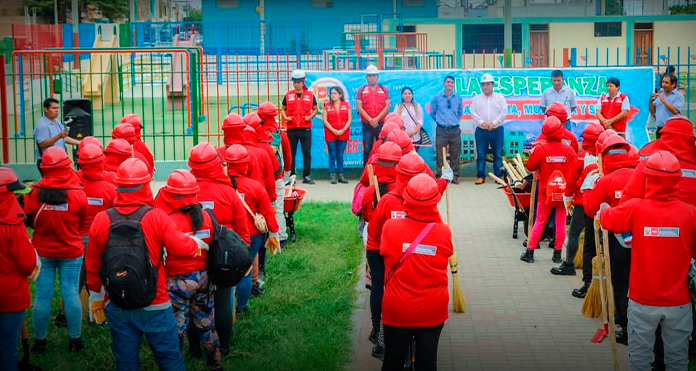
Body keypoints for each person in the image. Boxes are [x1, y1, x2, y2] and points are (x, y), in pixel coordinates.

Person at [86, 158, 208, 371]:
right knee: (170, 359)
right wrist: (197, 243)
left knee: (125, 362)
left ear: (118, 185)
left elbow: (93, 261)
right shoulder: (155, 217)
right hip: (156, 300)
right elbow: (180, 246)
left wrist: (96, 294)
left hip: (117, 300)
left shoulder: (101, 219)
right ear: (146, 185)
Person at [600, 151, 696, 371]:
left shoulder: (635, 208)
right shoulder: (690, 214)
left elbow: (608, 219)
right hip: (679, 302)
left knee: (640, 361)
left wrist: (604, 210)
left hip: (642, 300)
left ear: (648, 178)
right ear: (678, 179)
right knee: (677, 362)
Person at [380, 174, 453, 371]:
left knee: (392, 361)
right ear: (435, 202)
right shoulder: (444, 232)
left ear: (405, 198)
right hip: (432, 309)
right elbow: (446, 253)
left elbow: (383, 254)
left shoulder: (390, 228)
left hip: (398, 308)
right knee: (427, 363)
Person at [154, 169, 222, 371]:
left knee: (176, 329)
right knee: (207, 324)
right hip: (204, 278)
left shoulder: (167, 220)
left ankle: (176, 365)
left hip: (176, 281)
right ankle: (215, 365)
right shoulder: (207, 217)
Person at [187, 142, 250, 356]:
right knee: (223, 302)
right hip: (224, 259)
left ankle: (195, 350)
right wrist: (245, 258)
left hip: (191, 257)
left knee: (193, 304)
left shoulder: (182, 189)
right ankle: (223, 346)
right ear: (216, 164)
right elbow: (243, 228)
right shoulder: (227, 191)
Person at [23, 147, 87, 353]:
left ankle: (40, 342)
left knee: (42, 296)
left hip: (42, 251)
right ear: (66, 166)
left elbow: (28, 219)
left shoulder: (33, 193)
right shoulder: (78, 193)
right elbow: (81, 222)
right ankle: (75, 340)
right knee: (70, 294)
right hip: (71, 252)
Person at [584, 135, 639, 345]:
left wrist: (589, 191)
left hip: (616, 242)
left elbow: (590, 210)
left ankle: (625, 327)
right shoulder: (639, 176)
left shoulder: (605, 181)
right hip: (643, 239)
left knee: (620, 281)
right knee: (637, 282)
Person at [224, 145, 279, 314]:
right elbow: (268, 213)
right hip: (251, 237)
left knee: (225, 270)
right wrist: (275, 232)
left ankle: (225, 307)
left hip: (226, 236)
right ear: (246, 165)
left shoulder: (222, 186)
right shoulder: (255, 186)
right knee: (245, 270)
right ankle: (241, 307)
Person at [361, 142, 402, 359]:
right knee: (393, 289)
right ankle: (388, 331)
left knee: (377, 288)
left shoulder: (370, 191)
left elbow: (364, 215)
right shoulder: (402, 193)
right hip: (396, 249)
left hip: (375, 247)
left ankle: (377, 329)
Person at [551, 122, 603, 276]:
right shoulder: (605, 158)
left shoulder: (580, 158)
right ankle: (595, 270)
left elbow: (571, 183)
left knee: (574, 234)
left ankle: (569, 265)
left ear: (585, 139)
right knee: (595, 238)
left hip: (582, 204)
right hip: (601, 204)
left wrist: (567, 200)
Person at [521, 116, 576, 263]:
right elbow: (575, 169)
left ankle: (530, 253)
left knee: (539, 221)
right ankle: (557, 254)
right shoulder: (569, 150)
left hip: (545, 193)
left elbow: (530, 167)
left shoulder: (540, 149)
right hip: (563, 194)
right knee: (561, 223)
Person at [0, 168, 39, 371]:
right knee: (7, 347)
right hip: (9, 296)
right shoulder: (13, 227)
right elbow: (27, 264)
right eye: (14, 195)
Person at [75, 144, 117, 323]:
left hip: (76, 239)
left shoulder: (73, 183)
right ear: (102, 162)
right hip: (102, 239)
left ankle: (69, 314)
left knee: (74, 281)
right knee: (100, 277)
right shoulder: (109, 188)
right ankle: (98, 317)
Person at [257, 101, 292, 249]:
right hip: (276, 177)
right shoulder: (280, 134)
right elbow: (288, 155)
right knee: (278, 206)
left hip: (259, 178)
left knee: (261, 207)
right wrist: (287, 173)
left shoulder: (254, 132)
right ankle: (281, 237)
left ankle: (263, 234)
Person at [220, 113, 276, 202]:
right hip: (249, 200)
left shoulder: (217, 154)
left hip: (223, 201)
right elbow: (259, 181)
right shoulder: (253, 154)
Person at [281, 70, 318, 184]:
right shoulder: (288, 95)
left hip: (305, 128)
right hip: (291, 129)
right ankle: (291, 176)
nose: (296, 84)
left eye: (298, 82)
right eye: (294, 82)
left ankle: (306, 176)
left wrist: (310, 117)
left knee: (306, 153)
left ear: (303, 82)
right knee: (291, 153)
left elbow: (316, 109)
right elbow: (283, 108)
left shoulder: (310, 95)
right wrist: (286, 118)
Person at [470, 73, 507, 185]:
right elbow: (473, 112)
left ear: (493, 85)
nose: (485, 87)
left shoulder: (500, 98)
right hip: (481, 131)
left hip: (497, 130)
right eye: (483, 84)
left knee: (498, 153)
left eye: (487, 84)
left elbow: (504, 112)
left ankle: (498, 176)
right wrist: (483, 123)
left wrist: (493, 123)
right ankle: (481, 176)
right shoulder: (476, 99)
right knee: (481, 154)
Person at [34, 98, 80, 174]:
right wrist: (58, 136)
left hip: (60, 160)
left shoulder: (56, 121)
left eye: (57, 108)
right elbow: (42, 144)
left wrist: (79, 142)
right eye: (53, 108)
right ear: (46, 109)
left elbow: (64, 138)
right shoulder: (42, 125)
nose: (56, 110)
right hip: (49, 162)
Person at [357, 65, 391, 165]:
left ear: (377, 77)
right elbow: (359, 107)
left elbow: (387, 106)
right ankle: (366, 173)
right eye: (369, 76)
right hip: (367, 124)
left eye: (374, 75)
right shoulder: (361, 89)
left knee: (382, 148)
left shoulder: (383, 89)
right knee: (367, 149)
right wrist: (370, 120)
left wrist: (376, 119)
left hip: (381, 124)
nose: (372, 78)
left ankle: (381, 172)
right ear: (366, 77)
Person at [323, 86, 352, 184]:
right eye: (331, 93)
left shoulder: (346, 104)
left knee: (340, 155)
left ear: (340, 94)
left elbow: (349, 119)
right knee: (332, 154)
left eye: (335, 93)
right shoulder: (327, 105)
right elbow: (325, 120)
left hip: (343, 133)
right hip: (331, 133)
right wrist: (334, 130)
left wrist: (343, 130)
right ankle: (332, 175)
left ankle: (341, 175)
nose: (333, 95)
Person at [649, 74, 685, 138]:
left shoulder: (679, 96)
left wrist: (663, 100)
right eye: (663, 82)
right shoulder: (660, 93)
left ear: (673, 84)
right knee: (660, 148)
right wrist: (651, 101)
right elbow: (653, 112)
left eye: (666, 83)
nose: (663, 85)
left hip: (672, 130)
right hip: (660, 130)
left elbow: (675, 111)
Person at [395, 87, 424, 152]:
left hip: (416, 137)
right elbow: (396, 122)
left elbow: (420, 121)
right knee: (404, 157)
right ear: (402, 96)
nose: (407, 95)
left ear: (412, 95)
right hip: (403, 138)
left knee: (414, 157)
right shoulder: (398, 106)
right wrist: (405, 133)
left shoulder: (417, 106)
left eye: (409, 93)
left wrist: (414, 132)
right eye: (405, 94)